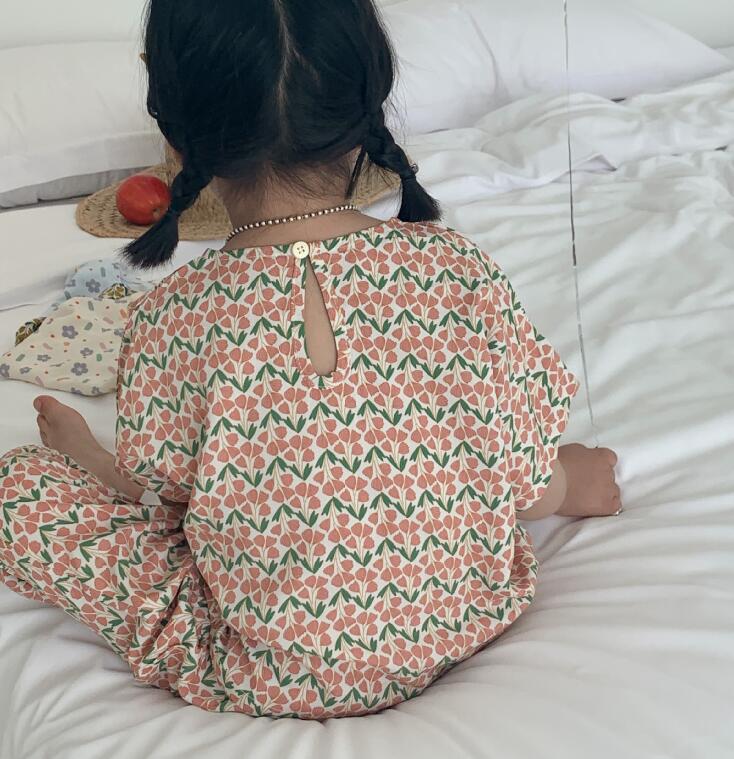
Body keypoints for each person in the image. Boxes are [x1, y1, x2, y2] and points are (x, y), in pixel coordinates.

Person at [0, 0, 620, 719]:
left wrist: (94, 464)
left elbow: (176, 510)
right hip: (461, 621)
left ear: (173, 132)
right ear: (370, 104)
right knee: (489, 457)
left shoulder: (172, 318)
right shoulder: (457, 269)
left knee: (18, 489)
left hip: (261, 669)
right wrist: (567, 482)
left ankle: (86, 470)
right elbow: (509, 471)